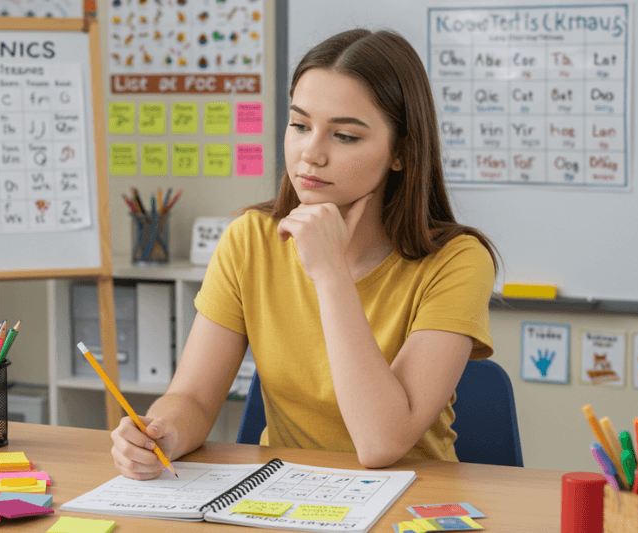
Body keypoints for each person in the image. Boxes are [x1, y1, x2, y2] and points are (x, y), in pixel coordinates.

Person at [111, 28, 498, 479]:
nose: (309, 155)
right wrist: (162, 434)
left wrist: (331, 276)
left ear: (402, 152)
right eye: (299, 126)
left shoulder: (458, 261)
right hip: (284, 496)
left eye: (345, 137)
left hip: (410, 500)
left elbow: (380, 443)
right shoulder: (249, 240)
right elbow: (194, 398)